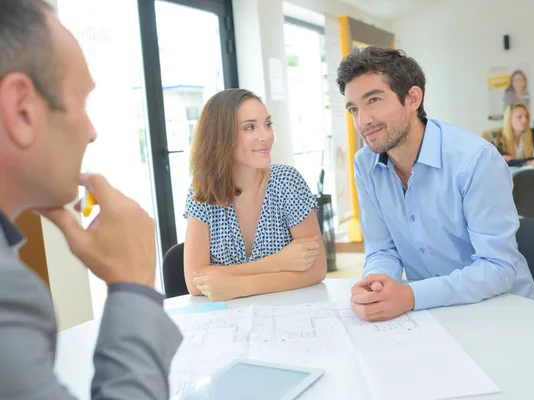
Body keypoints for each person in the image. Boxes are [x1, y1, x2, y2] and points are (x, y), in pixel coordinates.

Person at [0, 1, 182, 398]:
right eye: (82, 101)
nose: (92, 131)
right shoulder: (7, 291)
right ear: (21, 110)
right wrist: (133, 281)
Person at [336, 46, 534, 322]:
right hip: (434, 316)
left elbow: (497, 268)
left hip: (506, 314)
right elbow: (382, 249)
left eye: (373, 101)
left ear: (412, 98)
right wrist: (377, 285)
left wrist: (410, 295)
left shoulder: (475, 160)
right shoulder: (365, 165)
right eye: (353, 109)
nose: (363, 121)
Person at [183, 89, 326, 301]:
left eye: (267, 124)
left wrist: (238, 286)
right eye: (250, 127)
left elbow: (317, 269)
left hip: (287, 313)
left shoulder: (287, 182)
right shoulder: (202, 193)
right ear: (220, 137)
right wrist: (279, 262)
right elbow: (195, 282)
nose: (266, 136)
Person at [487, 102, 534, 167]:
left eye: (526, 116)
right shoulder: (497, 136)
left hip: (525, 174)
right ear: (509, 120)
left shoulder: (532, 133)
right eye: (519, 117)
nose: (525, 120)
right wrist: (530, 162)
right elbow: (497, 162)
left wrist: (517, 161)